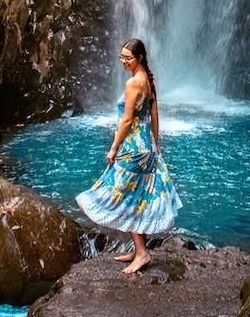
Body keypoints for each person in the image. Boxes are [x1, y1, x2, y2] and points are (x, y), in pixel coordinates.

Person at [75, 38, 182, 274]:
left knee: (126, 195)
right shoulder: (148, 80)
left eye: (127, 58)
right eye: (121, 57)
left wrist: (113, 148)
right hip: (146, 147)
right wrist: (156, 143)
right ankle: (137, 249)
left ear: (139, 58)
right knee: (140, 195)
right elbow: (154, 113)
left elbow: (126, 120)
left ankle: (142, 253)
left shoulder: (133, 83)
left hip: (133, 148)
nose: (123, 61)